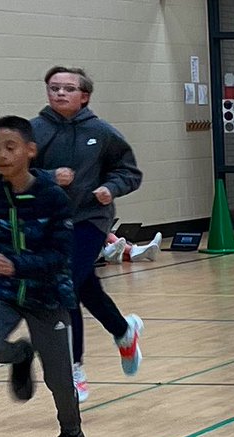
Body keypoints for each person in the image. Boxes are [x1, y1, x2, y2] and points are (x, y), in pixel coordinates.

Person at [0, 116, 87, 437]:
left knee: (60, 379)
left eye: (10, 147)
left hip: (47, 296)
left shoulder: (52, 198)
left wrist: (16, 265)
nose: (2, 155)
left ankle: (71, 434)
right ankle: (21, 356)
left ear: (30, 150)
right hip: (3, 294)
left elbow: (59, 256)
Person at [32, 66, 144, 404]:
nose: (60, 94)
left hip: (89, 219)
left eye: (68, 88)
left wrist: (111, 188)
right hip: (49, 221)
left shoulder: (101, 132)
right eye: (54, 88)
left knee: (67, 285)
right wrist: (49, 176)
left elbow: (129, 171)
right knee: (84, 285)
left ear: (85, 96)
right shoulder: (33, 131)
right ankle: (124, 331)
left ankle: (74, 368)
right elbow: (15, 172)